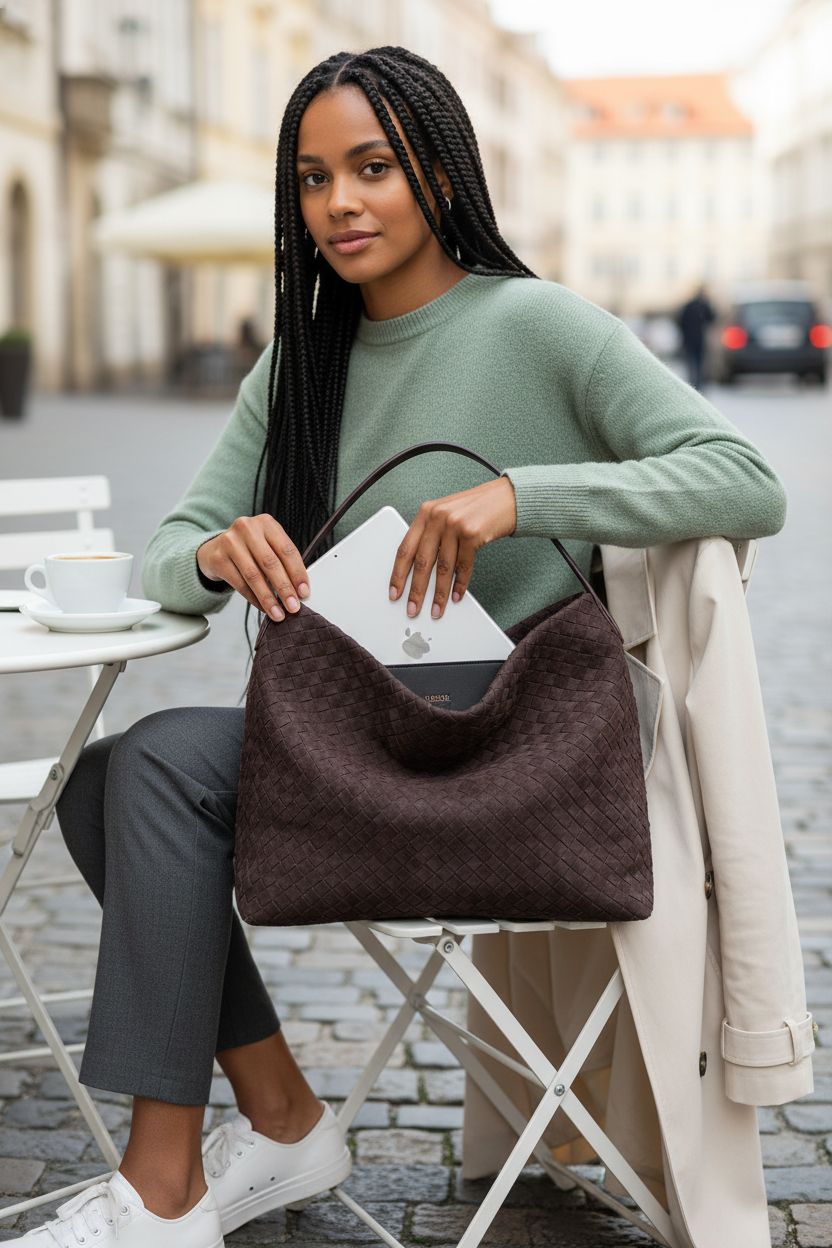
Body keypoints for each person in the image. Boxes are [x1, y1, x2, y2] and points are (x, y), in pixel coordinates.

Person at [19, 45, 788, 1247]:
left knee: (153, 766)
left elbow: (744, 481)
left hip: (520, 757)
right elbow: (170, 548)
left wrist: (520, 498)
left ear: (438, 169)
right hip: (356, 743)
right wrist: (223, 551)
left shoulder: (537, 325)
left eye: (372, 167)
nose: (340, 204)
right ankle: (271, 1120)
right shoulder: (302, 366)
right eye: (315, 179)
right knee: (118, 777)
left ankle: (163, 1190)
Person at [677, 283, 716, 391]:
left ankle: (693, 384)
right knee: (699, 363)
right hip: (699, 339)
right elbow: (712, 319)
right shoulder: (704, 305)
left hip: (689, 339)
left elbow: (680, 322)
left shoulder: (688, 305)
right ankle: (698, 384)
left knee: (691, 363)